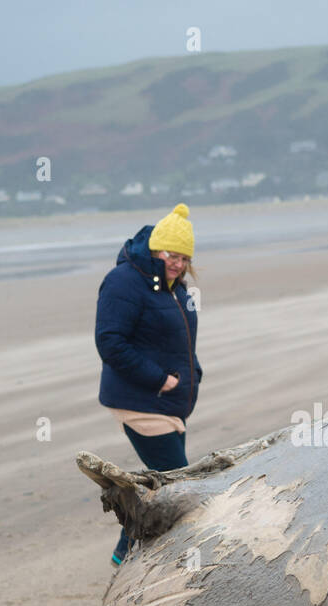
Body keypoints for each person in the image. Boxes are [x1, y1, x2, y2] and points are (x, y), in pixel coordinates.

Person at [94, 203, 203, 565]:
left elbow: (179, 341)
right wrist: (159, 379)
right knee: (178, 488)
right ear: (155, 249)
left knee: (159, 486)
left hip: (169, 404)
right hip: (140, 401)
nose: (177, 262)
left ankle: (124, 554)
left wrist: (192, 374)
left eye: (184, 257)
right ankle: (133, 560)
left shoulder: (173, 286)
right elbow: (110, 342)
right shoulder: (124, 281)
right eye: (171, 254)